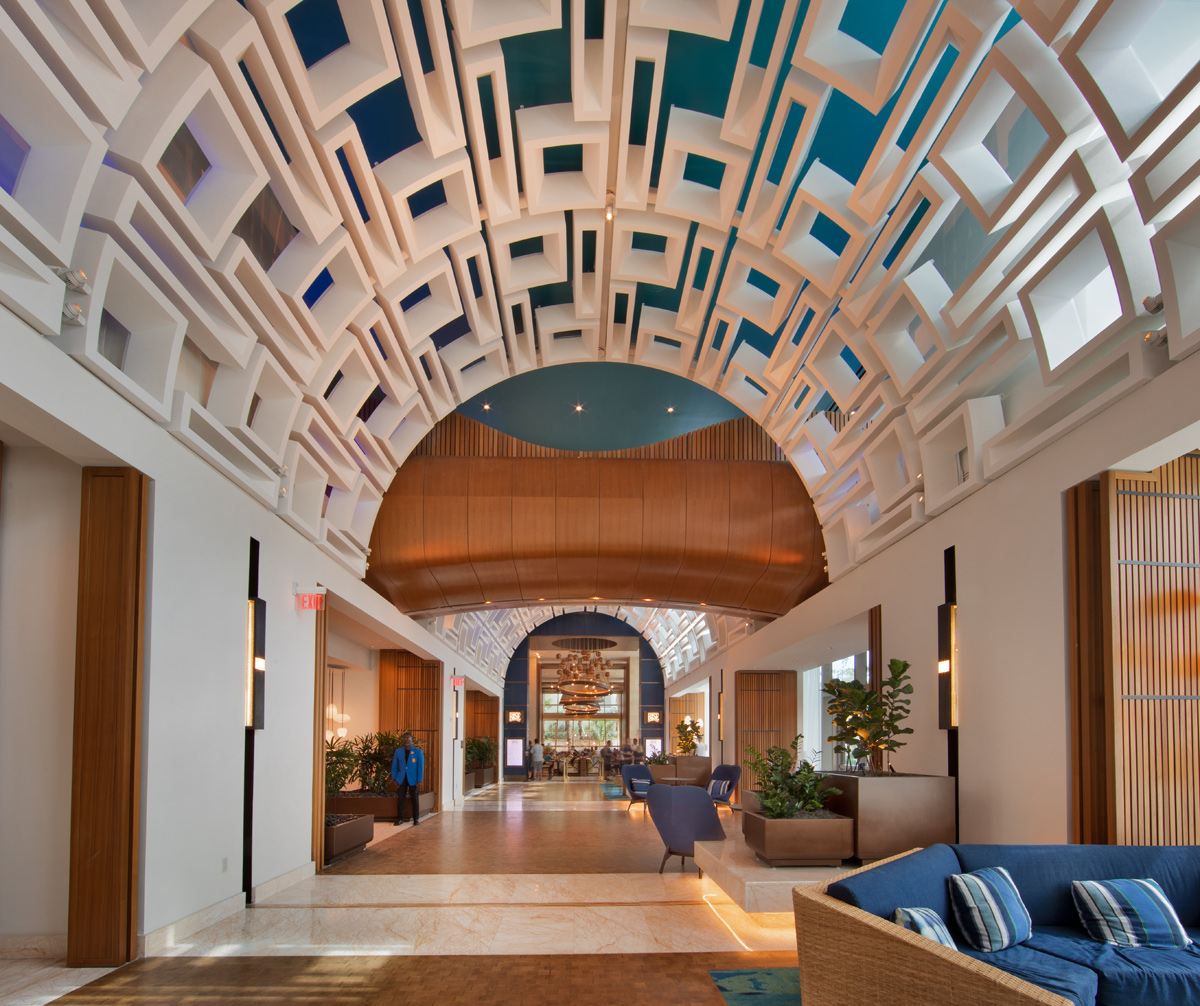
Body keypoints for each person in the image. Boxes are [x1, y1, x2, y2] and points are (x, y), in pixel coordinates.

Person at [390, 732, 424, 827]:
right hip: (401, 778)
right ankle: (400, 819)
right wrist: (394, 779)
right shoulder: (398, 751)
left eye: (408, 738)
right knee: (400, 799)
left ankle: (416, 819)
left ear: (411, 740)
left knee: (414, 799)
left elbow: (420, 768)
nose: (406, 740)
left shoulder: (418, 752)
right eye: (404, 738)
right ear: (403, 740)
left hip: (413, 779)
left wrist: (419, 780)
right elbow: (394, 766)